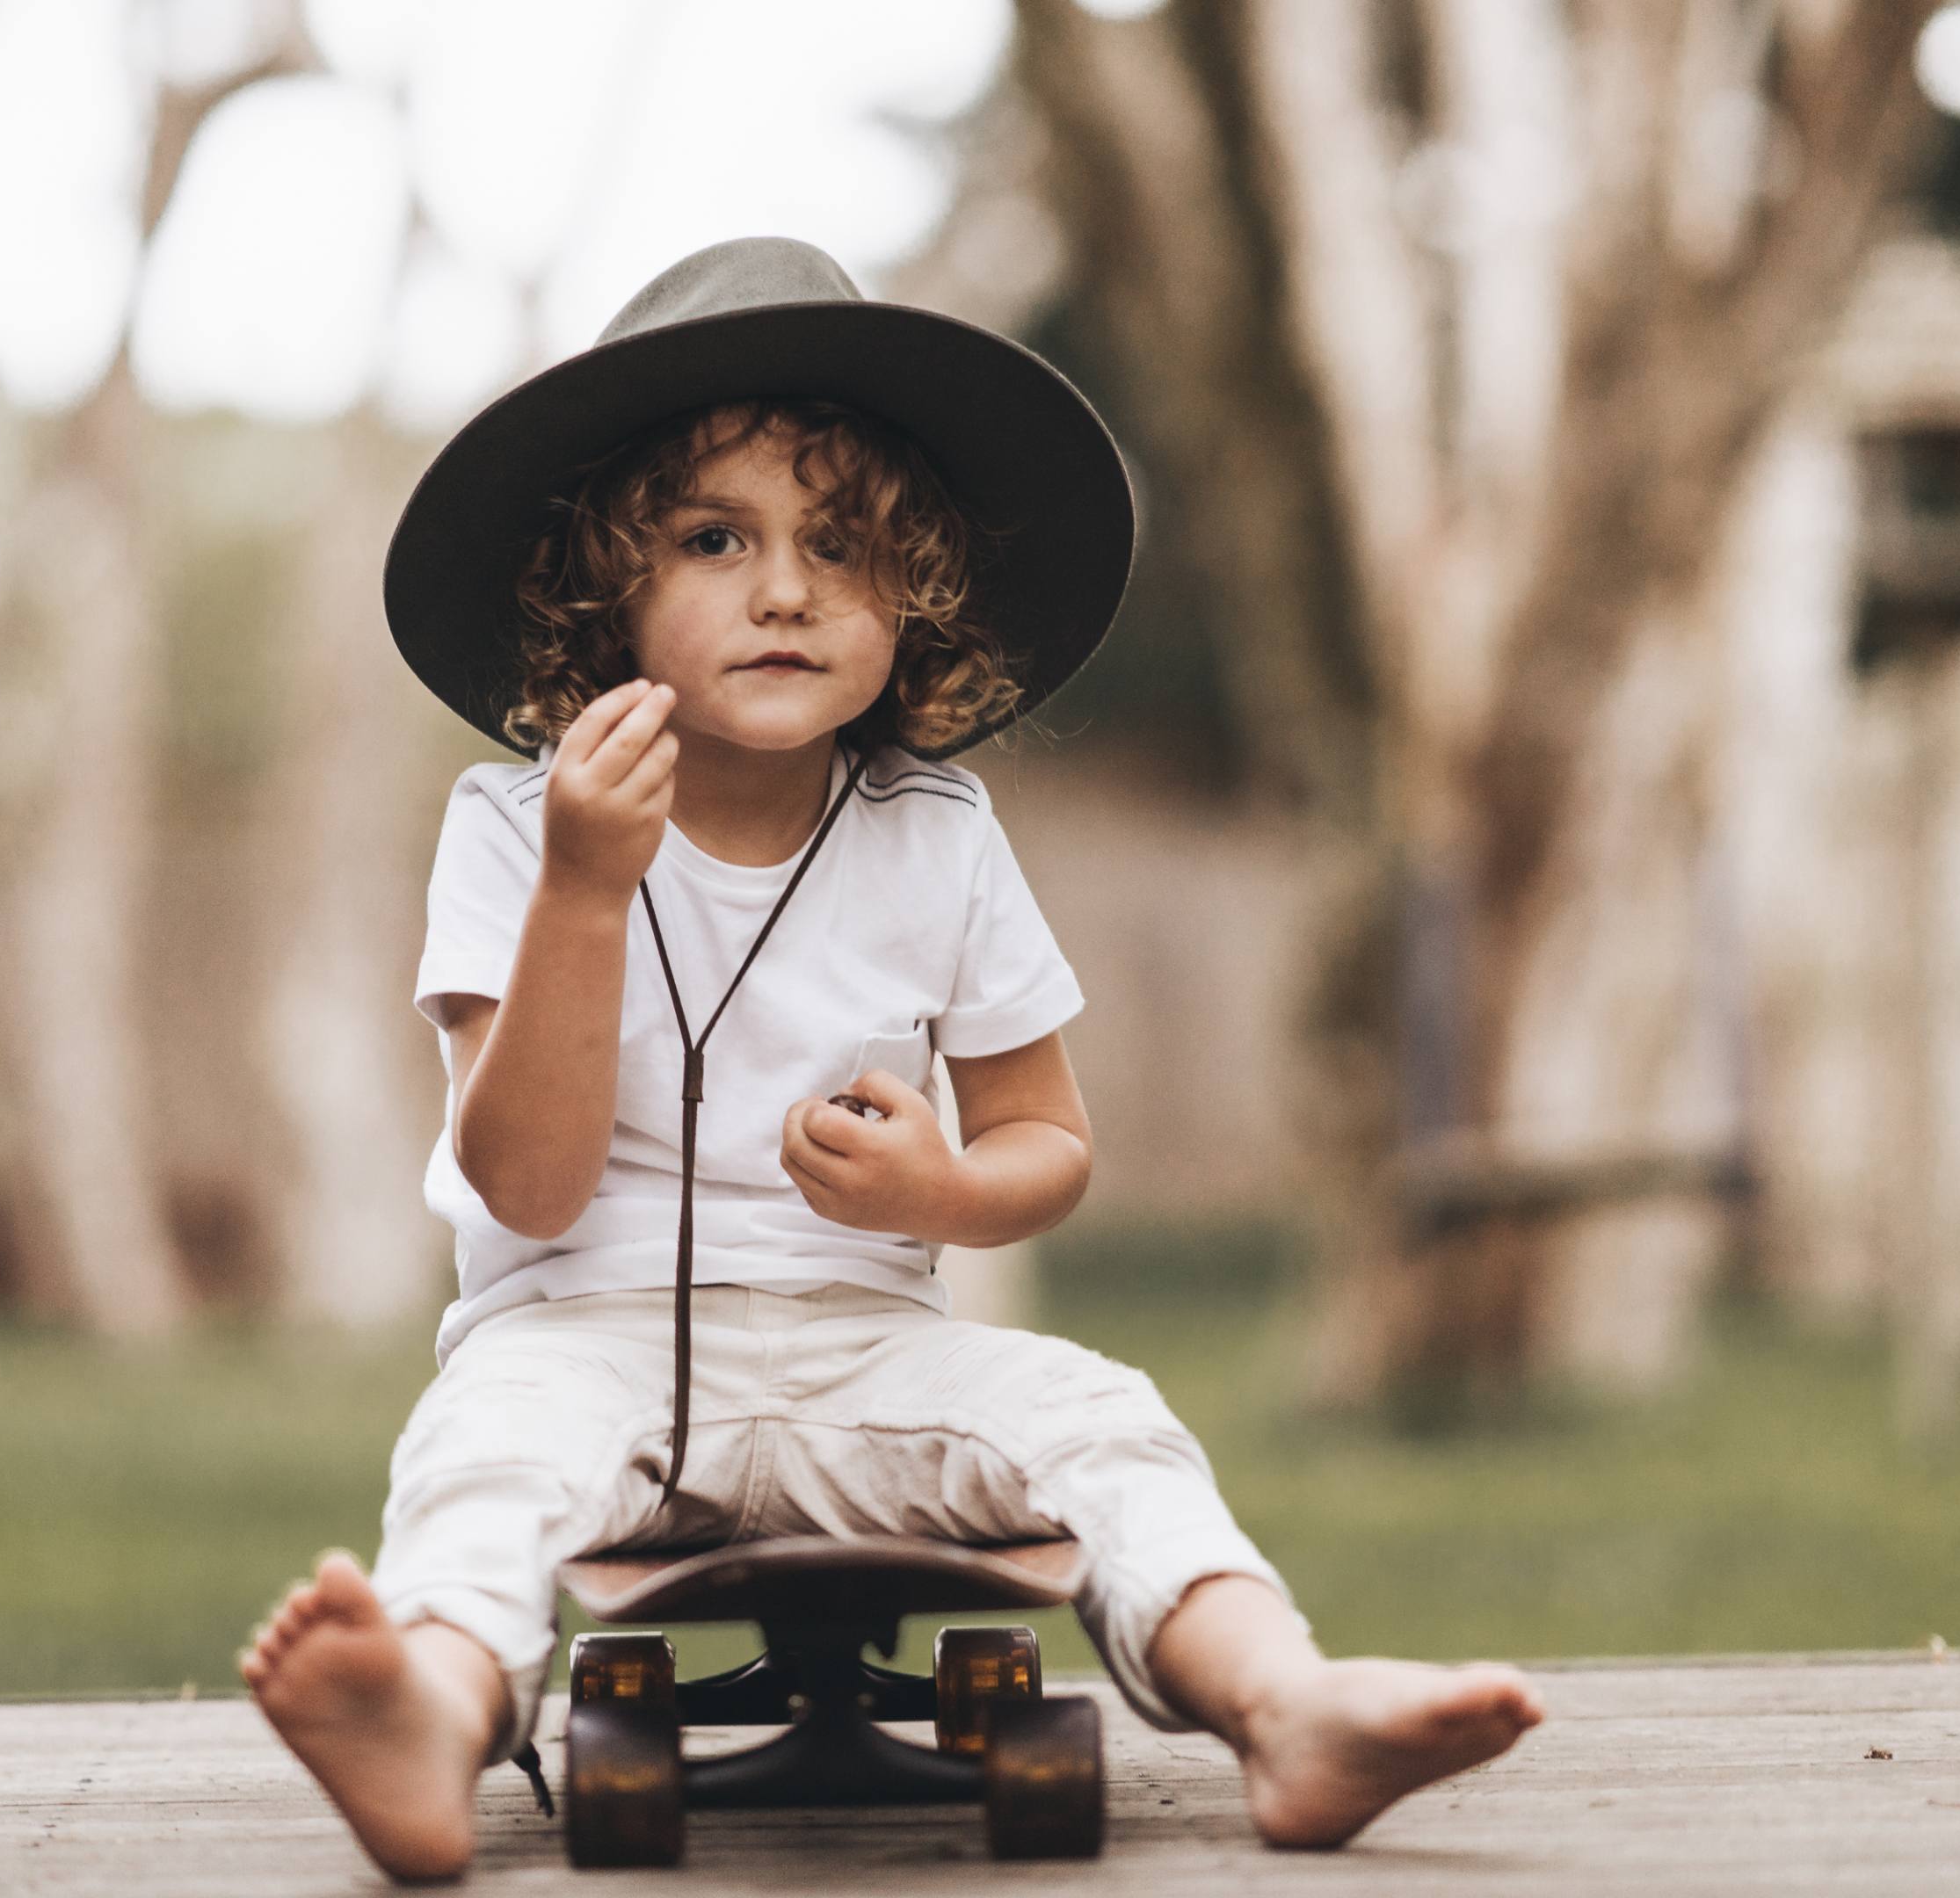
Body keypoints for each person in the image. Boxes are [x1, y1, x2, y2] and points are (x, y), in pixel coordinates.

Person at [238, 237, 1541, 1881]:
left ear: (906, 598)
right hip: (581, 1341)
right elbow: (528, 1185)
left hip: (868, 1354)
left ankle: (1286, 1708)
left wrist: (941, 1185)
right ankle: (428, 1718)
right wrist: (582, 890)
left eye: (842, 547)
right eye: (716, 539)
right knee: (484, 1461)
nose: (786, 588)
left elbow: (1045, 1144)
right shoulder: (515, 828)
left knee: (1104, 1418)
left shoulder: (939, 833)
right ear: (605, 589)